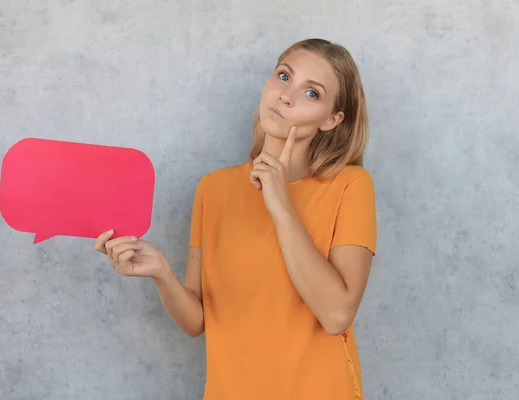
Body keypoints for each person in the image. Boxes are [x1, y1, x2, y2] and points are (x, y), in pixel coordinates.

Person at [93, 38, 377, 400]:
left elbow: (337, 315)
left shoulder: (350, 185)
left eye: (312, 94)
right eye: (284, 76)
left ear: (332, 120)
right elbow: (197, 321)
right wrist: (161, 273)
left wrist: (281, 206)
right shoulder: (214, 190)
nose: (286, 96)